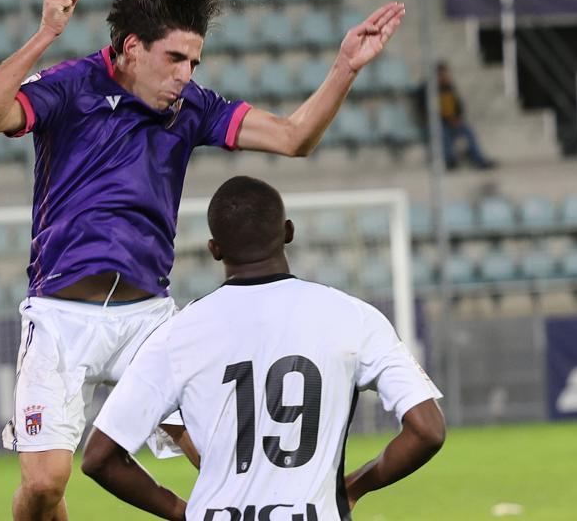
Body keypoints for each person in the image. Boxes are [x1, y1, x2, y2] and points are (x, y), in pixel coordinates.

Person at [0, 0, 406, 521]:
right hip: (60, 315)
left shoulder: (190, 108)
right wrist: (44, 35)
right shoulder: (68, 86)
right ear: (130, 47)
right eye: (175, 58)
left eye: (194, 62)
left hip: (150, 319)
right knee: (47, 483)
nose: (185, 75)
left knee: (221, 455)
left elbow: (293, 137)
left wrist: (344, 68)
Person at [82, 176, 446, 520]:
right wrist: (355, 486)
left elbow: (100, 457)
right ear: (288, 232)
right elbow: (427, 431)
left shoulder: (176, 334)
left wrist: (184, 513)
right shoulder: (354, 316)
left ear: (214, 249)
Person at [436, 62, 495, 170]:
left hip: (454, 121)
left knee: (469, 131)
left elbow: (459, 107)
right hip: (441, 123)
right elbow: (430, 111)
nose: (445, 76)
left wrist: (457, 118)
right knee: (443, 133)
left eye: (446, 73)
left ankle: (479, 159)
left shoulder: (450, 88)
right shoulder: (431, 91)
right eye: (442, 74)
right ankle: (450, 160)